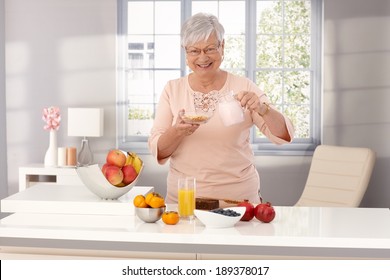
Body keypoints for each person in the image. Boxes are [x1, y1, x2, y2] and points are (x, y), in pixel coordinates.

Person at [148, 13, 294, 204]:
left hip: (239, 201)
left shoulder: (244, 86)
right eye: (194, 51)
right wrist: (177, 132)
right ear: (185, 52)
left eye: (210, 49)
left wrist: (262, 108)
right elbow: (158, 149)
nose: (202, 57)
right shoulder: (172, 89)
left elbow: (283, 135)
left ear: (222, 47)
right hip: (185, 201)